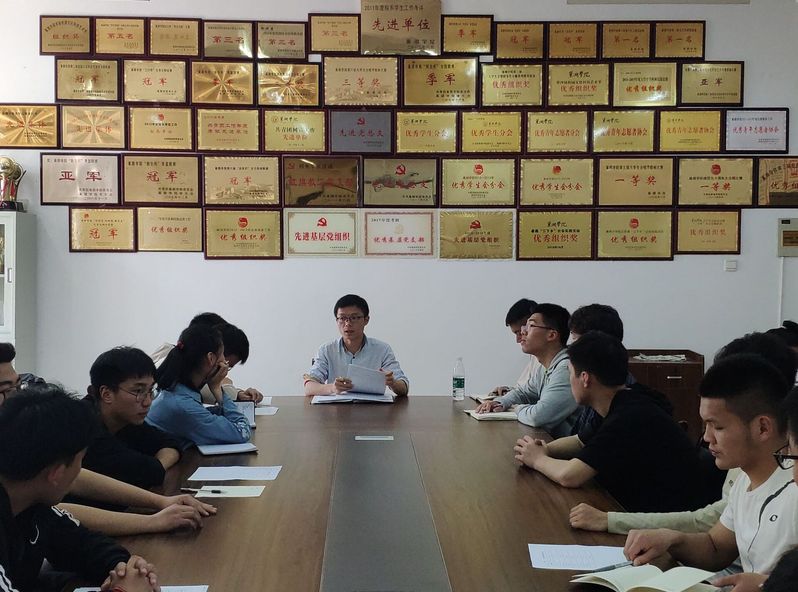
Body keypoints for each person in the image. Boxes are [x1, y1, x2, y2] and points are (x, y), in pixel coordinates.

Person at [570, 331, 798, 535]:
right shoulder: (744, 467)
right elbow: (715, 539)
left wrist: (611, 521)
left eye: (718, 426)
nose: (707, 437)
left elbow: (707, 525)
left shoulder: (785, 481)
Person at [0, 342, 214, 538]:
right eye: (6, 390)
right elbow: (58, 509)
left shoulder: (118, 421)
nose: (148, 401)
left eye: (17, 388)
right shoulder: (76, 427)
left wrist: (161, 502)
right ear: (106, 393)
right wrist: (154, 517)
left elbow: (75, 482)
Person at [623, 354, 798, 591]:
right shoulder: (745, 479)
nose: (707, 438)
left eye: (718, 426)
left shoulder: (794, 490)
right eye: (706, 425)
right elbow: (716, 547)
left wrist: (764, 585)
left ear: (762, 427)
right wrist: (671, 539)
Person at [514, 331, 710, 512]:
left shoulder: (630, 416)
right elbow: (580, 441)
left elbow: (570, 476)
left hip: (663, 520)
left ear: (585, 378)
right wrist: (545, 449)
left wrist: (538, 459)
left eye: (570, 373)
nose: (569, 380)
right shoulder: (620, 400)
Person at [0, 385, 159, 592]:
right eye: (80, 460)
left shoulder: (33, 502)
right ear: (56, 473)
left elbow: (81, 543)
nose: (80, 472)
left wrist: (122, 567)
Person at [81, 347, 181, 490]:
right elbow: (145, 471)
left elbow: (171, 443)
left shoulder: (124, 420)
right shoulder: (84, 427)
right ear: (106, 394)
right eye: (138, 391)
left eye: (150, 391)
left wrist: (158, 466)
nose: (148, 402)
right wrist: (156, 467)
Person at [476, 303, 579, 437]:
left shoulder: (566, 369)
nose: (523, 332)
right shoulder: (546, 367)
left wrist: (516, 408)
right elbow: (523, 392)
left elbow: (538, 417)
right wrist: (500, 402)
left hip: (567, 448)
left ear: (552, 335)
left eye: (530, 326)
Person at [146, 323, 252, 449]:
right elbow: (242, 432)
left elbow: (207, 415)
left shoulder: (175, 389)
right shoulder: (183, 406)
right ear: (211, 358)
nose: (225, 362)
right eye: (223, 354)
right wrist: (217, 388)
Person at [303, 294, 409, 397]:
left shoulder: (382, 349)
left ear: (366, 320)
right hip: (337, 407)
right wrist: (332, 388)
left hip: (372, 407)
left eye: (354, 318)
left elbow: (404, 387)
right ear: (336, 320)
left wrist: (393, 383)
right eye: (342, 318)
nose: (347, 323)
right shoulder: (326, 350)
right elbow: (309, 387)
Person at [152, 312, 263, 403]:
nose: (224, 368)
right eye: (226, 364)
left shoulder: (176, 359)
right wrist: (231, 393)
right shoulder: (179, 382)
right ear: (211, 356)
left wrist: (238, 393)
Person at [488, 299, 541, 397]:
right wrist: (508, 392)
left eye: (520, 332)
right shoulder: (535, 357)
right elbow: (527, 391)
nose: (518, 340)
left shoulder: (561, 365)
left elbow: (545, 403)